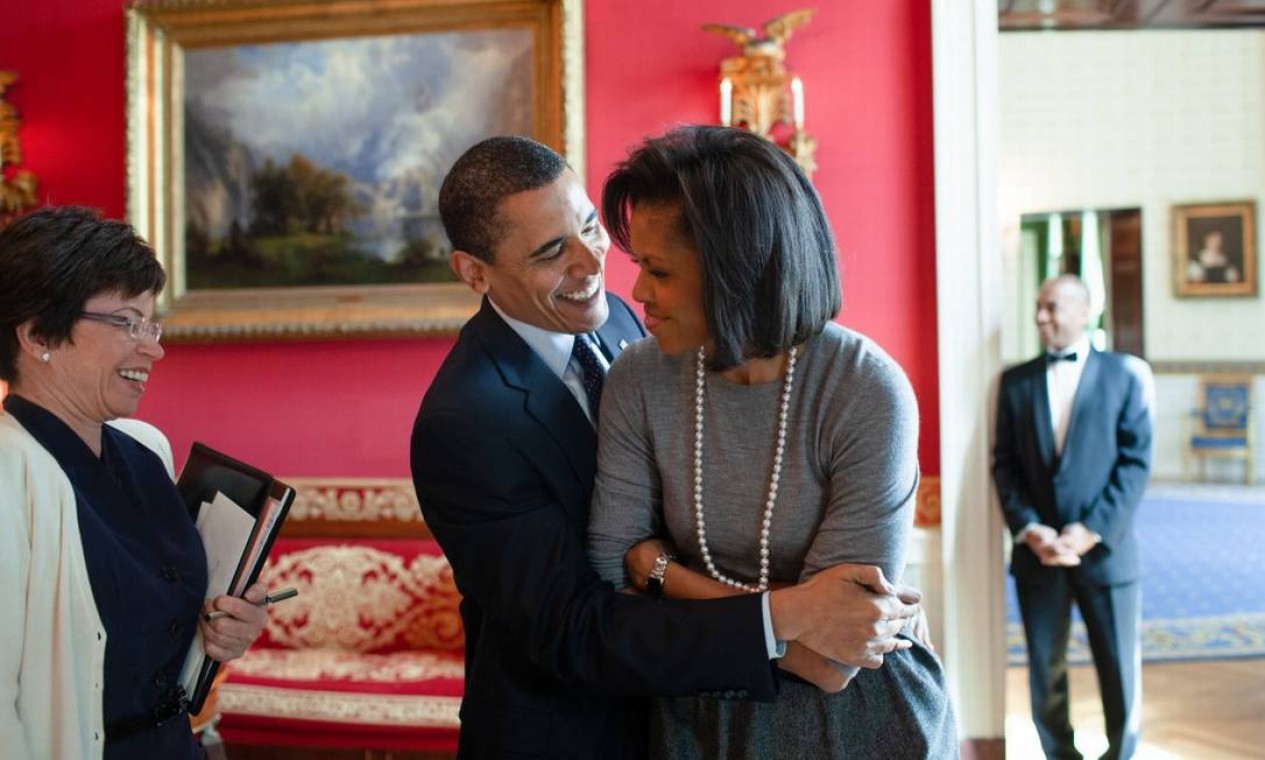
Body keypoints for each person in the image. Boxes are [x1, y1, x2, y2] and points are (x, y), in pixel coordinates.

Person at [410, 135, 926, 759]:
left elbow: (841, 633)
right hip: (577, 735)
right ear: (474, 272)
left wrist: (652, 568)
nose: (594, 264)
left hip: (747, 720)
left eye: (590, 227)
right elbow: (578, 630)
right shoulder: (464, 420)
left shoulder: (629, 326)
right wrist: (788, 615)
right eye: (552, 251)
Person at [586, 126, 957, 759]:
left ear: (738, 271)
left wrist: (659, 569)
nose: (639, 293)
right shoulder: (639, 376)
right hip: (691, 715)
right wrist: (795, 610)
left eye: (659, 270)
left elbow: (831, 659)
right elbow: (608, 563)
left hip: (857, 722)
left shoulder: (866, 391)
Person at [0, 206, 270, 760]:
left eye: (151, 324)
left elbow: (156, 625)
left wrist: (224, 629)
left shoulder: (145, 448)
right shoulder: (10, 471)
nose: (154, 348)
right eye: (126, 323)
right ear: (36, 334)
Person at [992, 274, 1153, 760]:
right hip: (1037, 555)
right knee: (1046, 670)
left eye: (1052, 307)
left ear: (1085, 312)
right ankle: (1060, 754)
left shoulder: (1125, 375)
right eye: (1039, 307)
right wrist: (1031, 530)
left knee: (1118, 667)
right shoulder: (1014, 381)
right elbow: (1005, 465)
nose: (1042, 316)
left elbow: (1135, 462)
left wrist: (1090, 531)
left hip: (1107, 552)